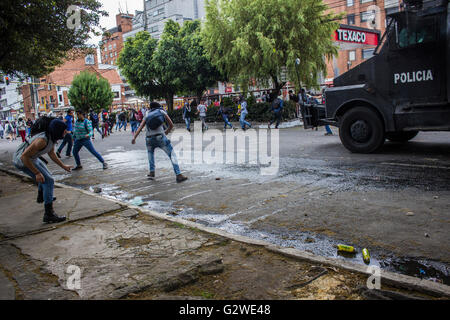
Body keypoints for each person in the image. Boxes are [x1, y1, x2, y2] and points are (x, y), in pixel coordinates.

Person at [13, 118, 72, 223]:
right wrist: (36, 173)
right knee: (48, 180)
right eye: (64, 130)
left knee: (47, 175)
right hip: (22, 160)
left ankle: (41, 195)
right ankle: (49, 214)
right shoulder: (42, 141)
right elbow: (24, 157)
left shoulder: (51, 138)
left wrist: (64, 166)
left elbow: (52, 154)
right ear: (57, 130)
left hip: (32, 158)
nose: (66, 132)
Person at [132, 101, 188, 183]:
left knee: (150, 154)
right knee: (172, 154)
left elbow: (140, 126)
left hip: (149, 138)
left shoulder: (147, 114)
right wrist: (166, 131)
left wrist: (134, 138)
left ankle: (152, 172)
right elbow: (171, 124)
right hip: (160, 136)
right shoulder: (161, 111)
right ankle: (178, 174)